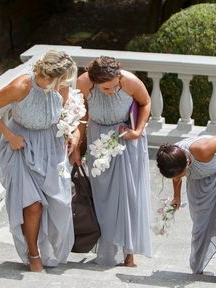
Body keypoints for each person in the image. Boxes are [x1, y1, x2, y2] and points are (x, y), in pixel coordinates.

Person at [0, 50, 77, 272]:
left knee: (61, 203)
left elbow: (64, 114)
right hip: (22, 147)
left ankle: (52, 251)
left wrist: (71, 133)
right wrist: (9, 136)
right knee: (32, 206)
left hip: (52, 148)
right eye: (62, 82)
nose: (64, 86)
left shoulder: (61, 86)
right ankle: (33, 254)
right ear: (51, 77)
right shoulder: (21, 86)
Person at [71, 55, 152, 267]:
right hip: (98, 139)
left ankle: (129, 252)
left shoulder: (130, 81)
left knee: (127, 195)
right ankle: (107, 249)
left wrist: (138, 130)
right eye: (106, 89)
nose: (111, 91)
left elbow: (145, 103)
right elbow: (83, 115)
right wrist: (78, 145)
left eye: (115, 86)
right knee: (102, 196)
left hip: (126, 139)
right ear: (94, 81)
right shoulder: (83, 83)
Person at [156, 125, 216, 283]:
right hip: (202, 180)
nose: (179, 177)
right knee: (203, 226)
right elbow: (176, 176)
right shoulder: (172, 159)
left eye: (182, 173)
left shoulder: (202, 149)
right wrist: (176, 197)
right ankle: (200, 262)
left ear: (187, 161)